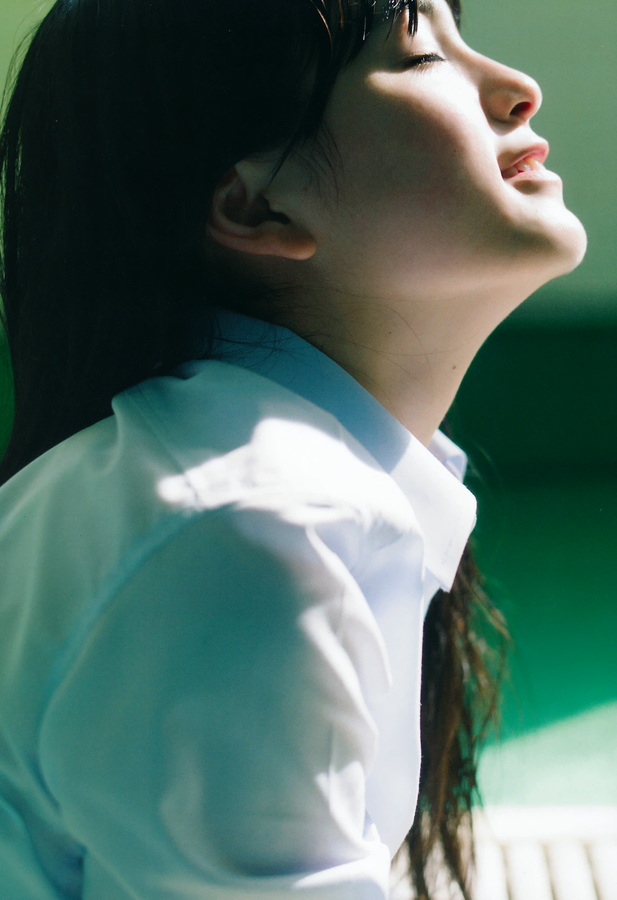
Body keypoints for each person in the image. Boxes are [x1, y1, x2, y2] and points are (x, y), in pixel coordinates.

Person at [0, 0, 586, 898]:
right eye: (420, 54)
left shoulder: (238, 488)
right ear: (259, 206)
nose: (518, 88)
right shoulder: (243, 533)